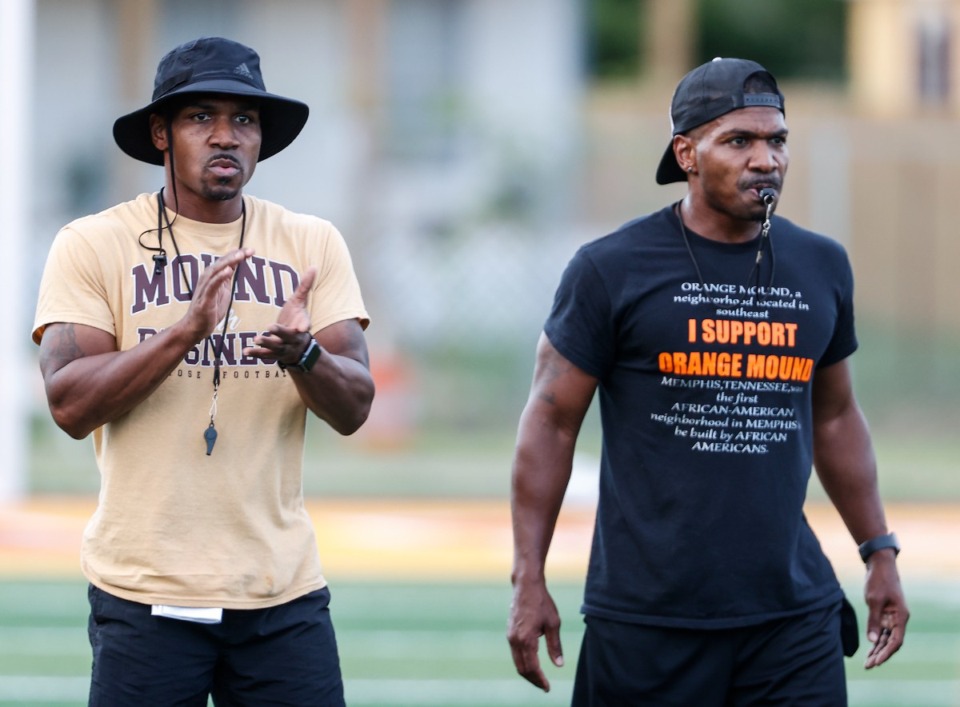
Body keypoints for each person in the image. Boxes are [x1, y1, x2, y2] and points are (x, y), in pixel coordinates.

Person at [507, 57, 908, 705]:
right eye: (739, 141)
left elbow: (834, 416)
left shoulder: (820, 264)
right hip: (648, 620)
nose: (765, 159)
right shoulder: (611, 268)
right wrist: (529, 576)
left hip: (791, 616)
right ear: (686, 154)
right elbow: (550, 422)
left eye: (777, 140)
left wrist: (879, 551)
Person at [32, 37, 373, 706]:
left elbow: (356, 405)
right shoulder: (93, 243)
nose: (225, 136)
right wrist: (186, 331)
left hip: (281, 594)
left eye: (244, 120)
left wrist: (303, 353)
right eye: (200, 117)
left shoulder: (310, 243)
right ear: (160, 132)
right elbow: (69, 405)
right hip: (144, 594)